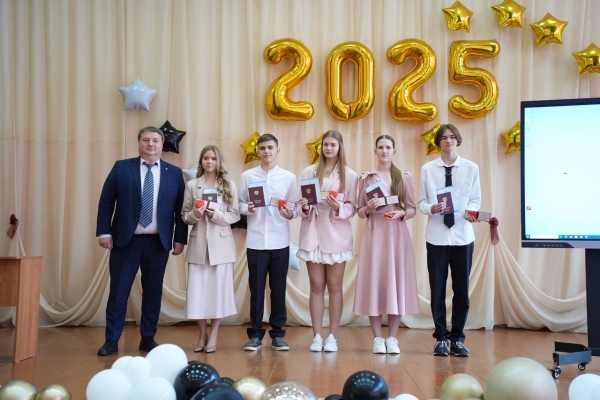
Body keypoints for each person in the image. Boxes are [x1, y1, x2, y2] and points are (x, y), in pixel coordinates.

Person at [96, 126, 187, 356]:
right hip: (125, 241)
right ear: (139, 143)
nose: (151, 144)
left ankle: (148, 337)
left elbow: (180, 210)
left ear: (162, 144)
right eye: (146, 140)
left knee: (153, 292)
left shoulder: (174, 173)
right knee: (119, 291)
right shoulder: (121, 167)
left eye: (155, 140)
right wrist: (104, 232)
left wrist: (180, 239)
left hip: (158, 243)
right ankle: (111, 340)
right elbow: (106, 200)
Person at [418, 123, 481, 357]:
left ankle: (458, 339)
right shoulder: (427, 169)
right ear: (438, 142)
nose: (448, 141)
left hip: (463, 236)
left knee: (462, 290)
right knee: (437, 289)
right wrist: (431, 208)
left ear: (458, 140)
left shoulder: (471, 167)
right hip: (437, 237)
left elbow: (475, 199)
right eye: (444, 137)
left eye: (452, 137)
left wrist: (472, 212)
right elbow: (421, 202)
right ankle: (441, 338)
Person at [353, 135, 420, 354]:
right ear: (375, 151)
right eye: (380, 147)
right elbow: (359, 211)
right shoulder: (366, 178)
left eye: (388, 147)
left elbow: (412, 208)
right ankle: (377, 338)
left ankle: (392, 338)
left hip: (397, 234)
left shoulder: (403, 177)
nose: (384, 151)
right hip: (375, 234)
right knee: (375, 282)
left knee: (396, 282)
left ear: (394, 151)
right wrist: (368, 208)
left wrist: (402, 213)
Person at [297, 130, 358, 352]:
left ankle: (332, 336)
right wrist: (304, 206)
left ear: (340, 147)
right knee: (316, 285)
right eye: (325, 144)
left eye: (333, 144)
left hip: (336, 237)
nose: (328, 148)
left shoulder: (349, 175)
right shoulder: (309, 171)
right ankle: (316, 336)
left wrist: (339, 207)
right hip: (312, 234)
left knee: (334, 286)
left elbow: (353, 207)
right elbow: (299, 206)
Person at [238, 133, 298, 351]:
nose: (266, 151)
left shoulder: (288, 177)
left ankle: (278, 334)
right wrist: (247, 208)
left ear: (277, 150)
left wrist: (289, 213)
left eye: (270, 147)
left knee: (278, 288)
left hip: (280, 240)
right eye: (262, 148)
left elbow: (294, 207)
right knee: (256, 289)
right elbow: (239, 204)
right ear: (258, 152)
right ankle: (255, 334)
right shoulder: (247, 176)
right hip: (255, 241)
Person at [181, 145, 240, 353]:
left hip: (221, 247)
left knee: (218, 293)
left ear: (218, 162)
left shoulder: (229, 185)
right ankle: (202, 335)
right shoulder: (192, 185)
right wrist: (196, 214)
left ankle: (213, 335)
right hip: (198, 245)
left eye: (213, 158)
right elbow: (184, 215)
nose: (209, 162)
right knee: (198, 293)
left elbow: (235, 215)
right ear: (201, 161)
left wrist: (217, 215)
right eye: (206, 158)